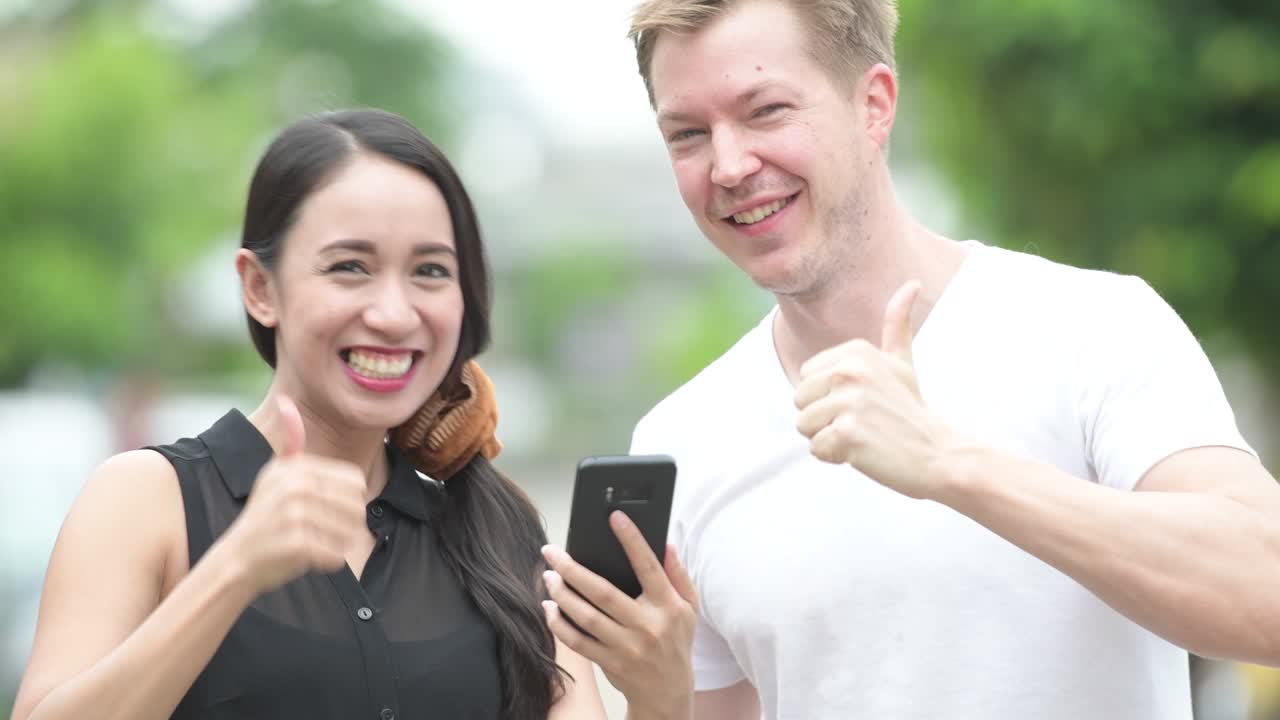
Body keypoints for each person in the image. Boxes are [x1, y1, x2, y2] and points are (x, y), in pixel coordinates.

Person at [539, 2, 1280, 719]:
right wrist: (655, 699)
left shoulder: (1094, 326)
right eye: (688, 133)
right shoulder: (684, 438)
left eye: (766, 111)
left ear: (874, 105)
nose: (729, 165)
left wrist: (950, 465)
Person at [11, 109, 613, 720]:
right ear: (260, 290)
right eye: (350, 266)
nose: (394, 313)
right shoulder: (146, 499)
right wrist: (235, 570)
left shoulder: (498, 533)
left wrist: (658, 693)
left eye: (430, 271)